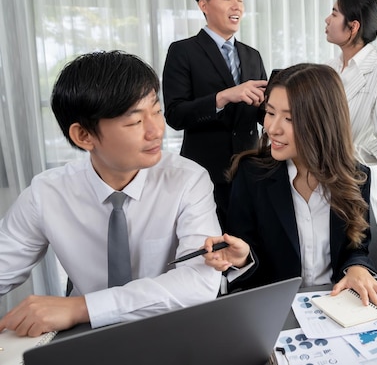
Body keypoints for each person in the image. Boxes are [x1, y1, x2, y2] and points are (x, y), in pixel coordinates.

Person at [0, 51, 222, 337]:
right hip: (84, 342)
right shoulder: (46, 194)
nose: (156, 130)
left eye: (156, 111)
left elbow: (199, 282)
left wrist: (82, 308)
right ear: (84, 136)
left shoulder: (188, 180)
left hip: (167, 332)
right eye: (134, 122)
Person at [203, 64, 377, 307]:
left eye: (289, 118)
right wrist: (243, 259)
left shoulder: (356, 177)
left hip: (338, 306)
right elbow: (246, 257)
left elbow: (357, 246)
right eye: (270, 112)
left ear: (323, 122)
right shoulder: (251, 175)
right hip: (277, 311)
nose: (272, 128)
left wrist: (357, 267)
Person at [162, 0, 267, 227]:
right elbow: (175, 115)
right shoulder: (182, 51)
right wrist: (223, 97)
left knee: (250, 245)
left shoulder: (252, 55)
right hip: (204, 172)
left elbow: (262, 113)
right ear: (203, 5)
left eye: (240, 0)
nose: (237, 6)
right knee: (209, 247)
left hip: (250, 169)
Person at [324, 0, 377, 239]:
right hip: (321, 180)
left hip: (357, 182)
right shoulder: (329, 69)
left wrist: (343, 156)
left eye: (335, 13)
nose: (327, 19)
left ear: (353, 26)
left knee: (360, 257)